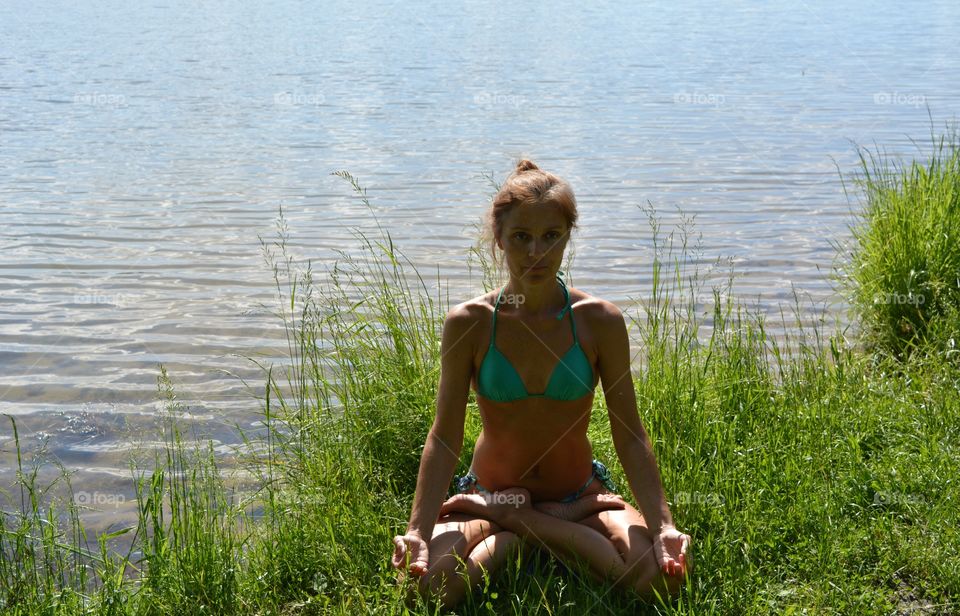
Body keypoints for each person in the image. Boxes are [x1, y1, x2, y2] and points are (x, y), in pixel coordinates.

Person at [391, 159, 691, 609]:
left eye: (551, 236)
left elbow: (629, 433)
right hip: (486, 493)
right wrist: (416, 531)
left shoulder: (599, 322)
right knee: (422, 588)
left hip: (580, 495)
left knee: (663, 579)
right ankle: (527, 533)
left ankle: (518, 523)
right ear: (499, 239)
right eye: (521, 238)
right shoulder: (470, 323)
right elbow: (444, 434)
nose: (537, 253)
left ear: (569, 235)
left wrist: (663, 525)